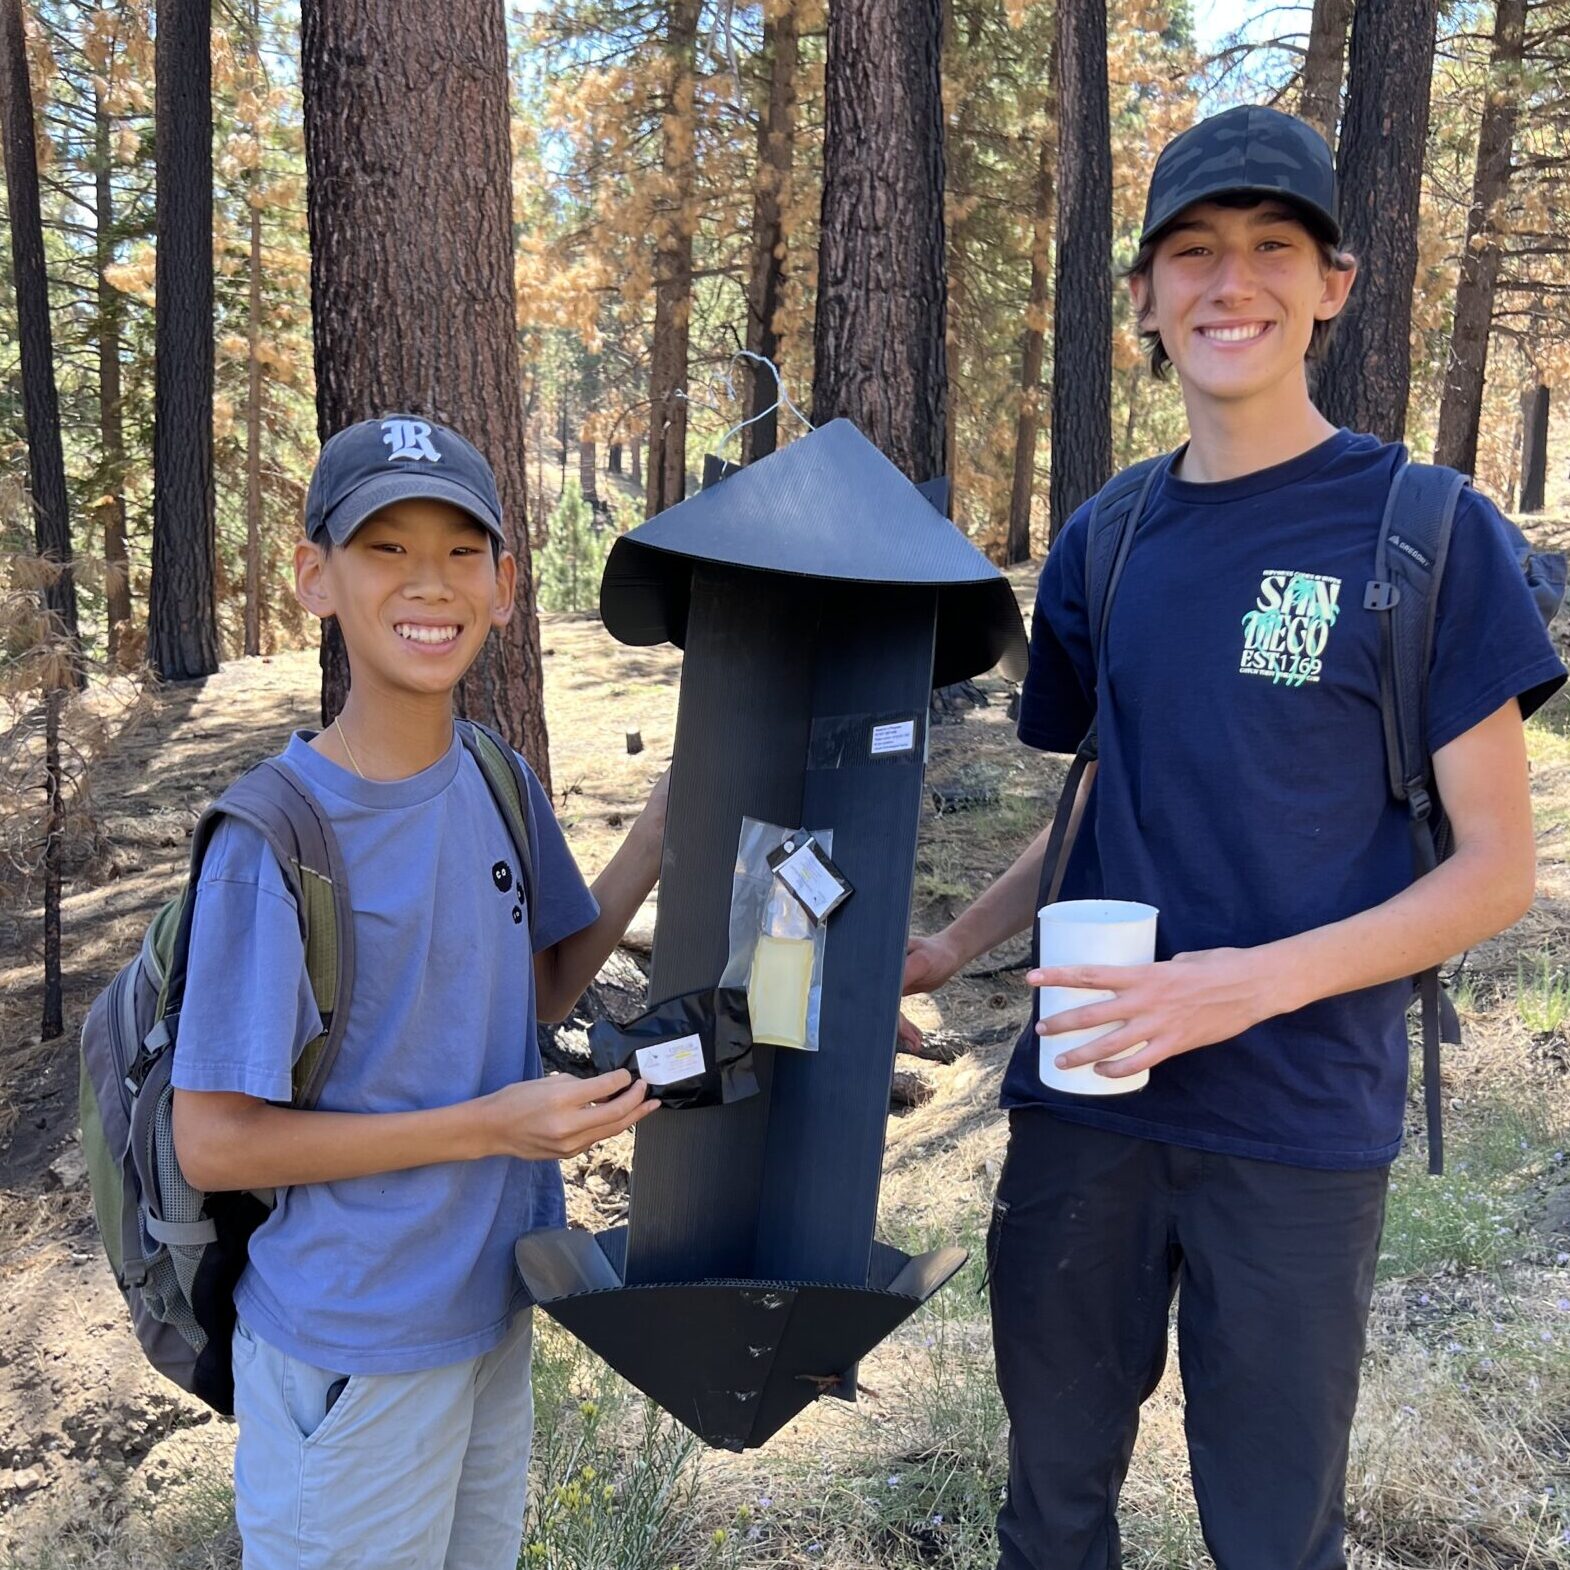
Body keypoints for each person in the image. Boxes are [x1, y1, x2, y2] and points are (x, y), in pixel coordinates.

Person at [902, 105, 1567, 1569]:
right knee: (1049, 1510)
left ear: (1332, 282)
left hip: (1295, 1121)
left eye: (1272, 249)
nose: (1229, 284)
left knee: (1271, 1533)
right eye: (1191, 252)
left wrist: (1240, 983)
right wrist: (954, 941)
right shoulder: (1108, 537)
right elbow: (1097, 791)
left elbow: (1493, 871)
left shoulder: (1428, 532)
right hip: (1085, 1103)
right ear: (1142, 295)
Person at [171, 415, 664, 1570]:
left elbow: (535, 987)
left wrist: (648, 843)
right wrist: (493, 1126)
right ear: (314, 578)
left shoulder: (494, 775)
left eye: (459, 551)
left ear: (503, 586)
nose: (426, 582)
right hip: (352, 1341)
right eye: (384, 547)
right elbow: (216, 1141)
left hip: (487, 1307)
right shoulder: (274, 837)